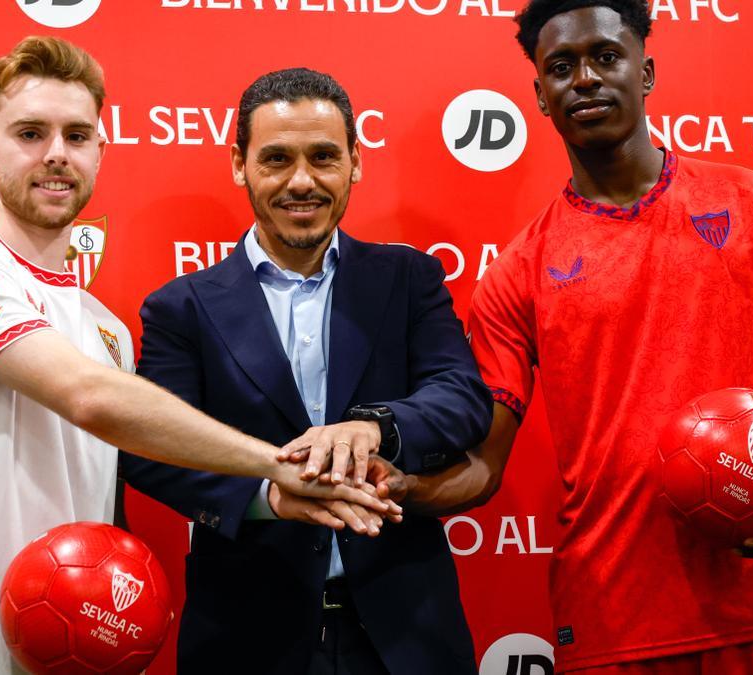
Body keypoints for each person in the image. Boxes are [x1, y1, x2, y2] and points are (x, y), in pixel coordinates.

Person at [0, 39, 394, 675]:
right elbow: (91, 397)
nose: (56, 154)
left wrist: (272, 494)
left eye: (77, 136)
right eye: (29, 133)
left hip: (59, 651)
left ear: (100, 152)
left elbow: (138, 448)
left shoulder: (107, 330)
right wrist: (278, 461)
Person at [379, 1, 753, 672]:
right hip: (615, 614)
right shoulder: (517, 273)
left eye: (606, 56)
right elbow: (482, 467)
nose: (586, 79)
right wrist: (398, 487)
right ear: (539, 95)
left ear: (646, 70)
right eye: (561, 67)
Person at [120, 68, 492, 675]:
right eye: (276, 159)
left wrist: (374, 428)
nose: (302, 181)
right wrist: (268, 495)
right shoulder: (181, 307)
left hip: (408, 635)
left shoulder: (408, 280)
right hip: (245, 640)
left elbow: (461, 397)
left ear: (355, 162)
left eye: (323, 156)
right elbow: (151, 449)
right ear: (240, 164)